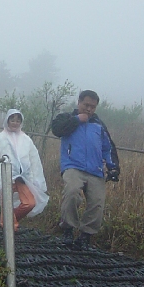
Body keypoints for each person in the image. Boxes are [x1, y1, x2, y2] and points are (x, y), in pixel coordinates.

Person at [51, 90, 120, 249]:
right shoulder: (67, 118)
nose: (89, 109)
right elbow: (57, 129)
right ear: (79, 102)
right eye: (86, 105)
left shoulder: (99, 124)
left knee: (97, 202)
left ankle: (85, 236)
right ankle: (68, 229)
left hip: (95, 170)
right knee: (72, 192)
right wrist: (77, 120)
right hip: (73, 166)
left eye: (93, 107)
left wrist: (113, 168)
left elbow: (108, 148)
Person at [0, 109, 49, 231]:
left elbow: (34, 159)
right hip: (5, 176)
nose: (15, 123)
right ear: (7, 120)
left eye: (18, 120)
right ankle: (9, 228)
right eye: (12, 120)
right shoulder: (0, 138)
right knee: (6, 204)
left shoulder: (26, 139)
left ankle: (9, 220)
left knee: (29, 203)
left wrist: (36, 178)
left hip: (23, 177)